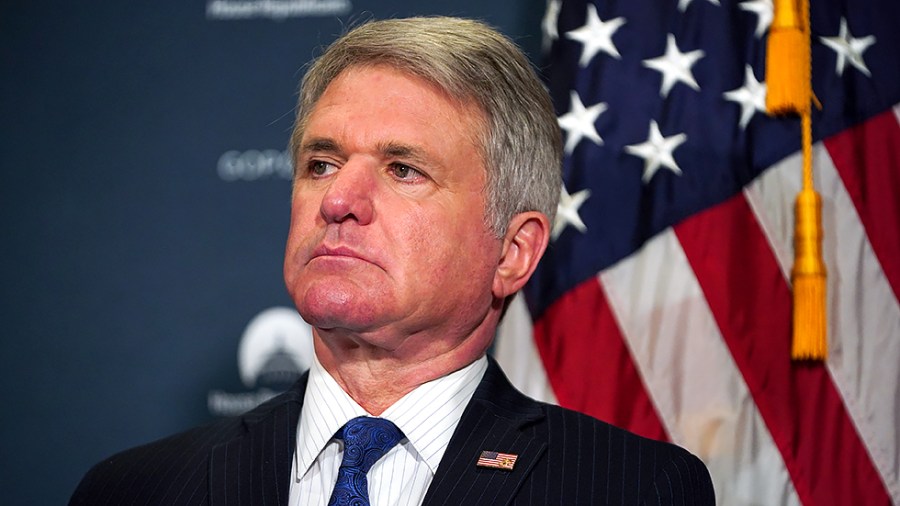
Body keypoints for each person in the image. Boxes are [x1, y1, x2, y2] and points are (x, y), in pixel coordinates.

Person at [70, 16, 715, 505]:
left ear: (512, 253)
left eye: (404, 170)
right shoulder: (134, 489)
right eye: (321, 164)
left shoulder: (632, 489)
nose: (339, 200)